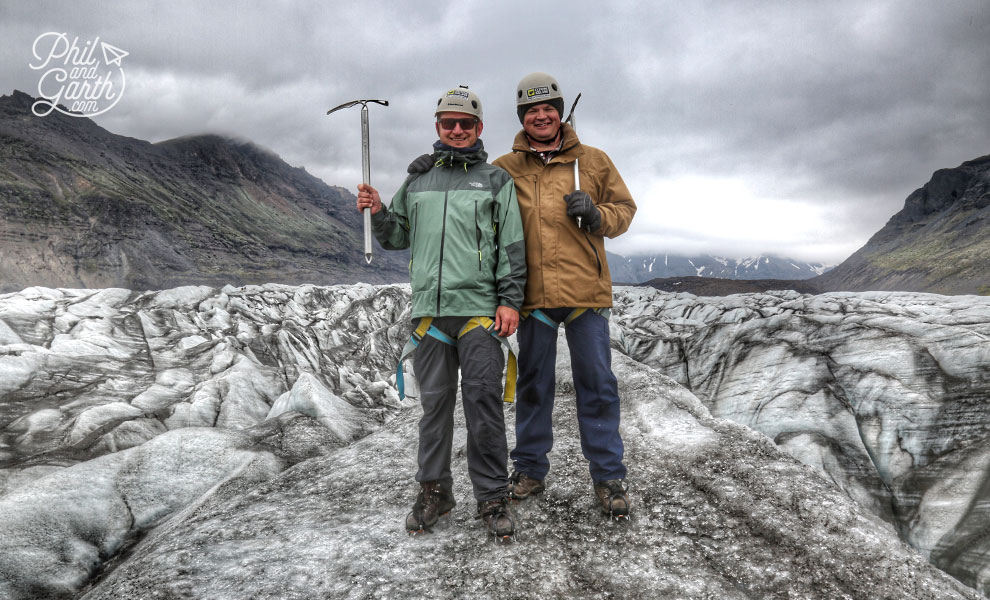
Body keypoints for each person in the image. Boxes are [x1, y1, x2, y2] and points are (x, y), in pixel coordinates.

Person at [356, 86, 526, 541]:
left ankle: (492, 496)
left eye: (464, 123)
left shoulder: (495, 181)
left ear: (479, 129)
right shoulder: (418, 181)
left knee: (484, 407)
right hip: (430, 314)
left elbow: (512, 245)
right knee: (434, 409)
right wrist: (377, 211)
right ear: (437, 127)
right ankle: (435, 491)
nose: (456, 129)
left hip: (479, 314)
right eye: (448, 122)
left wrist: (510, 300)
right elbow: (396, 236)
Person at [494, 72, 637, 519]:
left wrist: (597, 214)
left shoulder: (593, 161)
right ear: (523, 117)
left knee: (597, 385)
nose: (541, 115)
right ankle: (531, 469)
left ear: (559, 112)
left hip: (584, 294)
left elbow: (625, 211)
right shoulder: (504, 169)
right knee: (534, 387)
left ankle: (608, 476)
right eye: (531, 110)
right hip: (532, 297)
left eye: (547, 108)